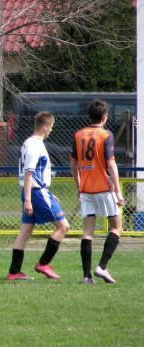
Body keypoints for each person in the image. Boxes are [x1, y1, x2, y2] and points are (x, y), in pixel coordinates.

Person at [7, 111, 70, 280]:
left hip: (35, 191)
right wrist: (29, 199)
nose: (51, 130)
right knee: (63, 227)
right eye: (51, 127)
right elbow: (29, 173)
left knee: (24, 233)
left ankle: (14, 272)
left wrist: (47, 192)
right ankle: (43, 263)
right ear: (45, 127)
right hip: (35, 193)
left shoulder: (28, 143)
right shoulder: (35, 145)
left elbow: (33, 175)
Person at [70, 99, 124, 284]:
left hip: (86, 189)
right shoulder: (105, 134)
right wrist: (118, 191)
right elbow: (111, 163)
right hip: (103, 187)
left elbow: (74, 164)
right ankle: (102, 266)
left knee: (87, 233)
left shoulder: (78, 134)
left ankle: (86, 276)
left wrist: (79, 187)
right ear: (104, 117)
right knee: (116, 227)